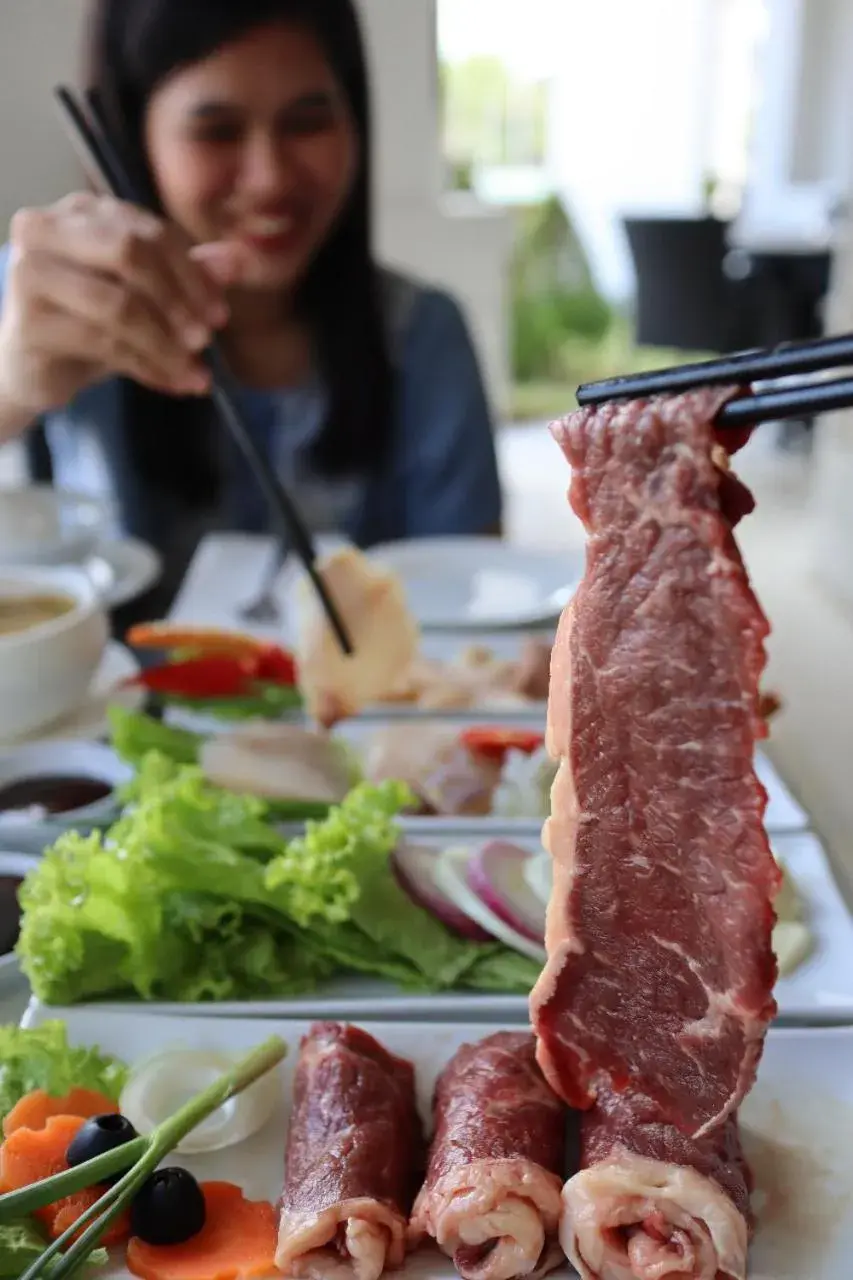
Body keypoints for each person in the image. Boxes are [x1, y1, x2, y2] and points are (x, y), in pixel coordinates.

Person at [0, 0, 502, 607]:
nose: (269, 178)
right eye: (217, 131)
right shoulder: (52, 301)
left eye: (306, 122)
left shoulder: (424, 335)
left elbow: (480, 612)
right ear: (136, 140)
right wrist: (11, 390)